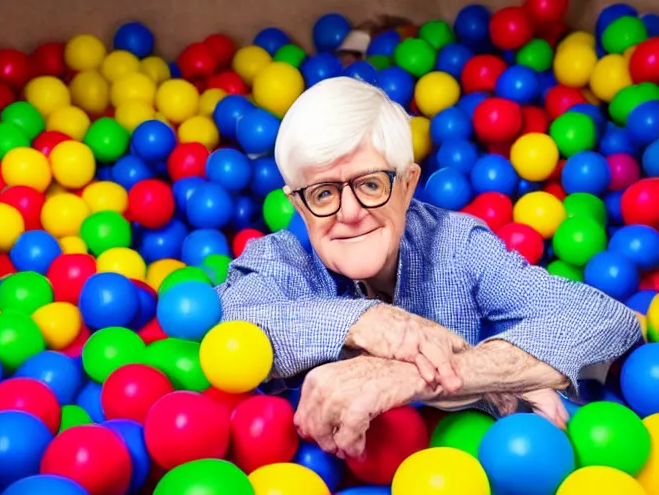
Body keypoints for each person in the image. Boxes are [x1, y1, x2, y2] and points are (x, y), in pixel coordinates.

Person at [215, 76, 643, 459]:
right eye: (324, 193)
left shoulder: (457, 246)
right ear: (297, 205)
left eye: (370, 185)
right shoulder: (277, 259)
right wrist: (368, 321)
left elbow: (607, 319)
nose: (349, 212)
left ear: (407, 185)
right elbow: (233, 323)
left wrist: (428, 374)